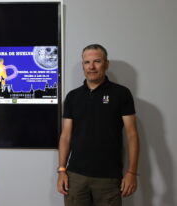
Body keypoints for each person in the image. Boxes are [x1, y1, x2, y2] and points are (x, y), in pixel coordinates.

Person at [57, 44, 140, 206]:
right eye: (87, 62)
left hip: (108, 178)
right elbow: (66, 135)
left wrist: (132, 172)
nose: (92, 67)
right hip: (76, 177)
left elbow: (132, 134)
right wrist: (61, 170)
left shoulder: (121, 94)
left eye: (97, 61)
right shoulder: (73, 97)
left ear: (106, 64)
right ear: (83, 65)